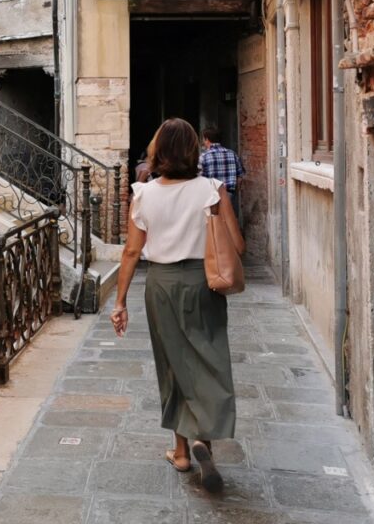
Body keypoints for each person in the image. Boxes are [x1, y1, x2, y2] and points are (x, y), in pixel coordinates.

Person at [111, 118, 245, 493]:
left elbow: (132, 251)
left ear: (158, 152)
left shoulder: (143, 193)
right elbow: (237, 244)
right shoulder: (212, 190)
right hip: (205, 283)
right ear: (193, 150)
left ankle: (182, 451)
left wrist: (120, 303)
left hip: (162, 284)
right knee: (209, 357)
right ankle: (206, 439)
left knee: (171, 365)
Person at [199, 127, 246, 218]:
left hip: (210, 197)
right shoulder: (232, 154)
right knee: (229, 223)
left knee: (213, 226)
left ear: (207, 139)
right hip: (229, 195)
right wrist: (234, 191)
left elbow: (199, 179)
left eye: (203, 139)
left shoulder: (203, 157)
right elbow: (240, 177)